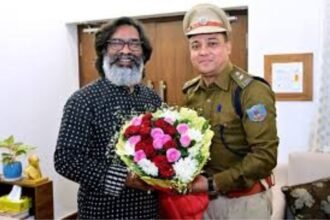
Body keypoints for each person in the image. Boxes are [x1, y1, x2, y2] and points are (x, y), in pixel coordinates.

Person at [54, 17, 162, 219]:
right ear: (103, 50)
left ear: (144, 52)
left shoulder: (153, 99)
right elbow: (66, 159)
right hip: (102, 213)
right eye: (117, 43)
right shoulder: (83, 100)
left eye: (134, 44)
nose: (126, 51)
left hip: (149, 212)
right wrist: (124, 178)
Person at [182, 4, 279, 219]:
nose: (203, 51)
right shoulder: (191, 92)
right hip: (202, 203)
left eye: (213, 43)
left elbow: (265, 156)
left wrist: (212, 183)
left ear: (228, 46)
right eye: (195, 45)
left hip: (243, 204)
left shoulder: (252, 91)